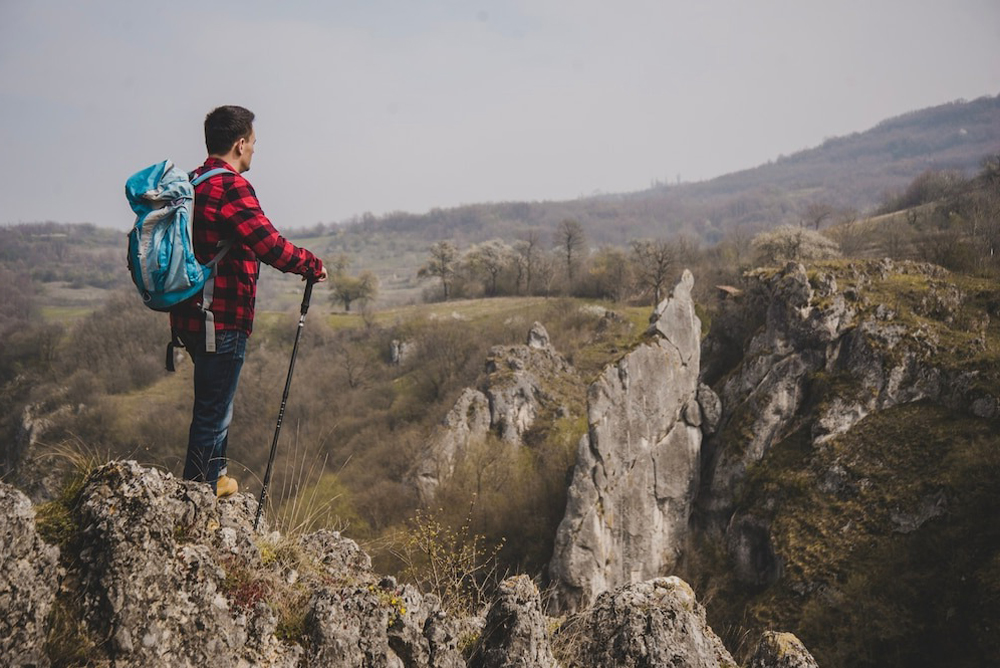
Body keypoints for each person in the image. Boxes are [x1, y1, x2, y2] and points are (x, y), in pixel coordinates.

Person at [171, 105, 327, 498]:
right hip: (220, 317)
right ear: (240, 144)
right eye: (254, 143)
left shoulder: (194, 181)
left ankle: (217, 478)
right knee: (212, 412)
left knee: (216, 404)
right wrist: (310, 264)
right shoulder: (230, 187)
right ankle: (199, 497)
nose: (255, 150)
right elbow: (267, 243)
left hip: (190, 315)